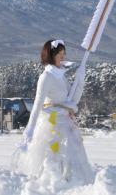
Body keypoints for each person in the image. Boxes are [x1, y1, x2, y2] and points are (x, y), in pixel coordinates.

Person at [13, 39, 93, 185]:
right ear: (51, 55)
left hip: (66, 124)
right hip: (51, 125)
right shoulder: (46, 77)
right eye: (60, 53)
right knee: (51, 158)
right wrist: (29, 130)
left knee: (69, 159)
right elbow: (37, 104)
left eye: (64, 53)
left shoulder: (61, 76)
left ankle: (70, 185)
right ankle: (49, 186)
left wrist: (80, 81)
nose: (63, 56)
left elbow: (72, 100)